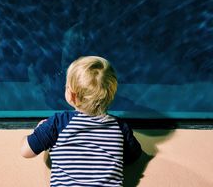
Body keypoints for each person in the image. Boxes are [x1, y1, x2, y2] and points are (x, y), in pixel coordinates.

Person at [20, 56, 142, 187]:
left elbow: (25, 151)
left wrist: (39, 130)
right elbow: (133, 156)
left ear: (72, 96)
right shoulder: (120, 127)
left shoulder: (58, 123)